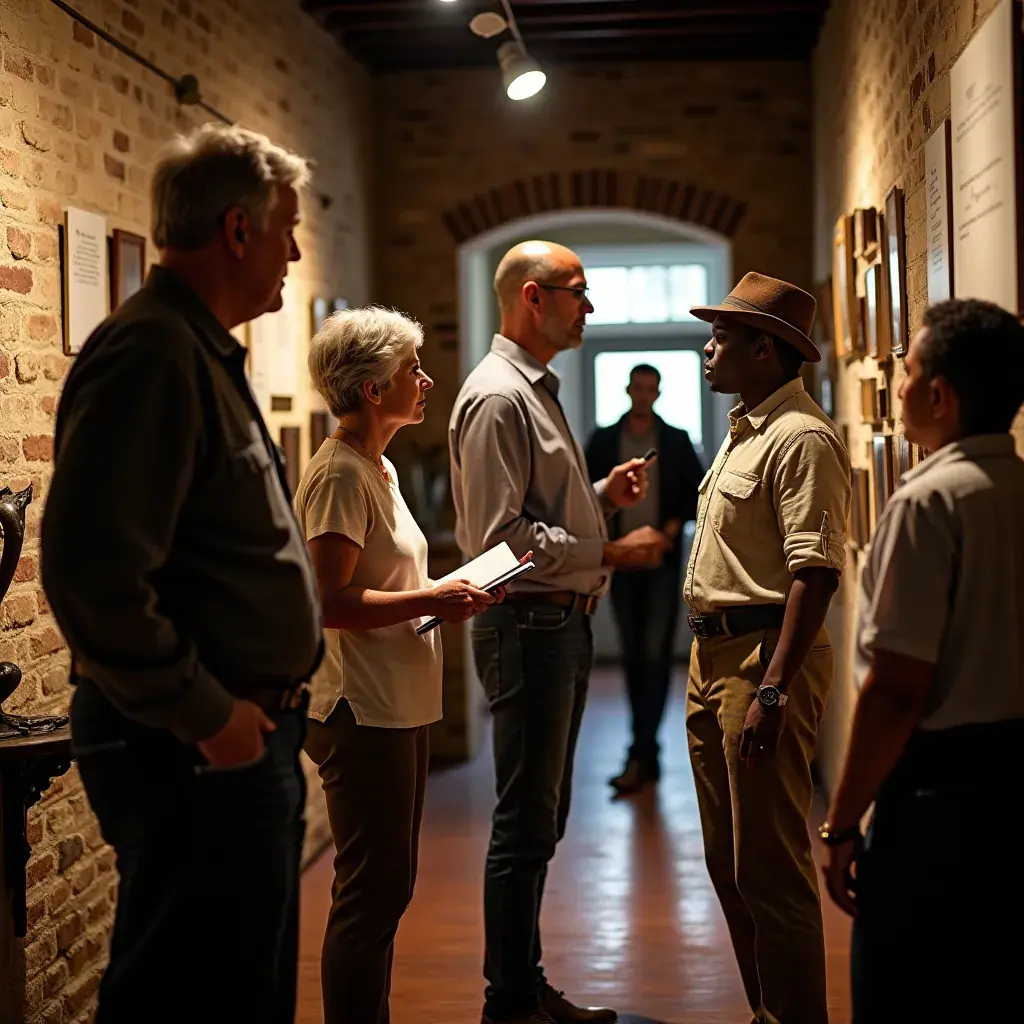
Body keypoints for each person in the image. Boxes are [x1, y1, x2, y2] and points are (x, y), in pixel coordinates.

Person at [41, 124, 321, 1022]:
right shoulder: (152, 352)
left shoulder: (193, 347)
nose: (297, 250)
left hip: (231, 738)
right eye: (288, 229)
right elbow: (94, 575)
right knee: (183, 995)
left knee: (237, 988)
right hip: (193, 748)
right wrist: (210, 718)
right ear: (238, 230)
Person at [449, 240, 670, 1024]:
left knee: (543, 818)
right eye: (579, 292)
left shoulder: (536, 389)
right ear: (532, 299)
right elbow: (500, 543)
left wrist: (599, 496)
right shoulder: (498, 396)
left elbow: (540, 514)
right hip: (529, 625)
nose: (591, 308)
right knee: (524, 821)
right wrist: (609, 547)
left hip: (559, 625)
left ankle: (525, 983)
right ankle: (508, 1002)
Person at [293, 306, 501, 1023]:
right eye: (413, 369)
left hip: (397, 700)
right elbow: (330, 601)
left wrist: (435, 602)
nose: (427, 378)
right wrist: (432, 598)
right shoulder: (342, 476)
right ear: (373, 388)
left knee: (386, 886)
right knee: (372, 891)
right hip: (363, 707)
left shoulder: (377, 466)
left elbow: (378, 584)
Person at [821, 299, 1024, 1023]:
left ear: (939, 394)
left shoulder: (930, 500)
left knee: (906, 990)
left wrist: (842, 824)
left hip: (941, 799)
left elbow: (899, 689)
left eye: (906, 373)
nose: (898, 388)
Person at [684, 272, 851, 1024]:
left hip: (760, 661)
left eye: (720, 337)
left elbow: (815, 575)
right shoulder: (745, 428)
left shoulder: (800, 438)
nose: (707, 348)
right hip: (712, 661)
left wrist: (774, 690)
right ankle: (766, 1013)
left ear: (765, 349)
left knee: (771, 873)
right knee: (729, 865)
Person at [585, 363, 705, 795]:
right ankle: (643, 750)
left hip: (659, 563)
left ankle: (644, 750)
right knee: (634, 656)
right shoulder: (603, 440)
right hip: (618, 564)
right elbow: (585, 496)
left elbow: (697, 493)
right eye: (637, 388)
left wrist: (667, 534)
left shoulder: (673, 440)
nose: (642, 395)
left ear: (657, 393)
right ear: (628, 390)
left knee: (653, 657)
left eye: (650, 389)